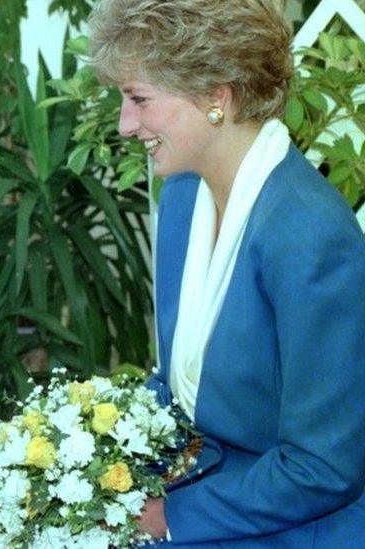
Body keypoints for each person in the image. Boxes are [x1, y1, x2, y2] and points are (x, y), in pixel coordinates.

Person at [87, 0, 365, 546]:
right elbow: (182, 383)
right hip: (199, 488)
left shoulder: (312, 238)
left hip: (296, 527)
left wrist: (169, 517)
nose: (125, 125)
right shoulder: (185, 197)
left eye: (139, 99)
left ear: (217, 96)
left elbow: (324, 467)